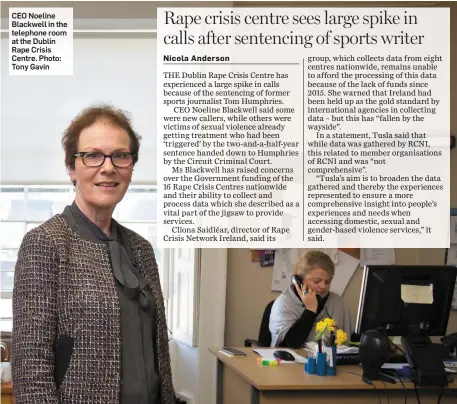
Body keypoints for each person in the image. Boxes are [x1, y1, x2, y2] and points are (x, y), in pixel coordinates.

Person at [12, 105, 175, 404]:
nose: (108, 167)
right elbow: (31, 370)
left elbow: (159, 356)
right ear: (72, 168)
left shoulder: (142, 249)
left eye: (120, 155)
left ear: (131, 166)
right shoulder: (45, 243)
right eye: (93, 155)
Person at [269, 250, 352, 348]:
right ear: (299, 280)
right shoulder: (283, 304)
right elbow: (289, 345)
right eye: (316, 281)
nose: (323, 286)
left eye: (327, 282)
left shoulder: (337, 303)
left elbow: (347, 345)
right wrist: (310, 310)